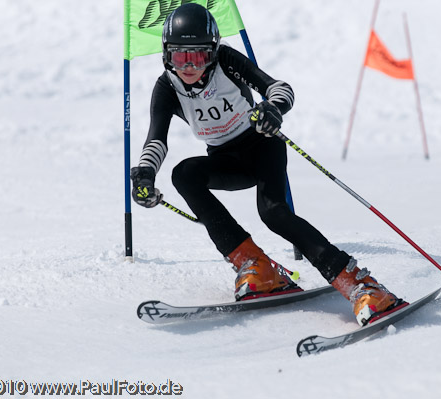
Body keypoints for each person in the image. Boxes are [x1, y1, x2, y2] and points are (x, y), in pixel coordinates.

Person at [131, 3, 404, 326]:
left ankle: (362, 287)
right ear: (166, 55)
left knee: (274, 212)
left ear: (213, 52)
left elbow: (279, 88)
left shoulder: (227, 63)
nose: (189, 66)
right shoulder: (167, 88)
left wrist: (272, 109)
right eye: (180, 56)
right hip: (225, 160)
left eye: (199, 56)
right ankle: (256, 267)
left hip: (262, 145)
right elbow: (156, 140)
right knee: (184, 174)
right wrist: (145, 174)